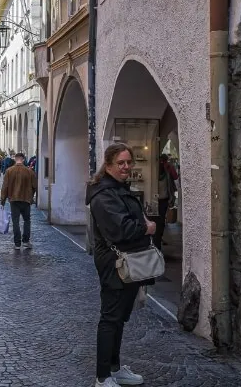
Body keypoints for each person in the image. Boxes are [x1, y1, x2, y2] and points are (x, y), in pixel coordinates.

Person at [86, 142, 156, 387]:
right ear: (108, 165)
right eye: (121, 163)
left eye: (129, 162)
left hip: (126, 262)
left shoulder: (115, 188)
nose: (126, 167)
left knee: (118, 318)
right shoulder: (104, 193)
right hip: (114, 264)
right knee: (110, 319)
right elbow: (121, 229)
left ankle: (115, 369)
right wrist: (146, 227)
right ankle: (103, 376)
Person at [0, 152, 37, 250]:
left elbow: (5, 187)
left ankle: (17, 243)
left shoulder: (9, 171)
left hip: (14, 199)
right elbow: (35, 186)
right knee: (27, 220)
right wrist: (31, 197)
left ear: (15, 159)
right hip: (26, 199)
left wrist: (2, 200)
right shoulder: (29, 172)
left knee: (15, 221)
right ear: (23, 159)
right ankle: (26, 241)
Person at [154, 154, 178, 250]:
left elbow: (175, 177)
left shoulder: (159, 171)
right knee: (161, 219)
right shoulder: (167, 169)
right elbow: (175, 177)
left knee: (158, 219)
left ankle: (158, 238)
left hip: (159, 199)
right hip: (163, 199)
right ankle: (158, 237)